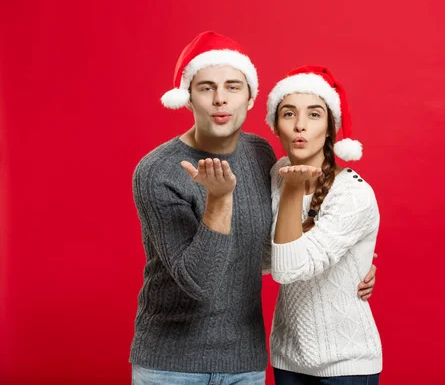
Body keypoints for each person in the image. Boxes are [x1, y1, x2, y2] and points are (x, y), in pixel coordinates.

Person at [130, 32, 377, 385]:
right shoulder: (158, 171)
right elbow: (199, 282)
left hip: (245, 362)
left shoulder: (260, 156)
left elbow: (268, 242)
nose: (220, 100)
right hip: (171, 365)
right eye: (206, 88)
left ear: (250, 99)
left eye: (233, 87)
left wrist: (356, 259)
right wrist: (219, 200)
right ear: (187, 98)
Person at [264, 66, 382, 384]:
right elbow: (265, 259)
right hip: (289, 356)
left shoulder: (352, 192)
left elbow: (289, 270)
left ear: (331, 127)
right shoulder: (276, 174)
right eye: (288, 114)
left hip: (347, 362)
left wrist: (292, 192)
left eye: (314, 115)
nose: (300, 125)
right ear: (275, 125)